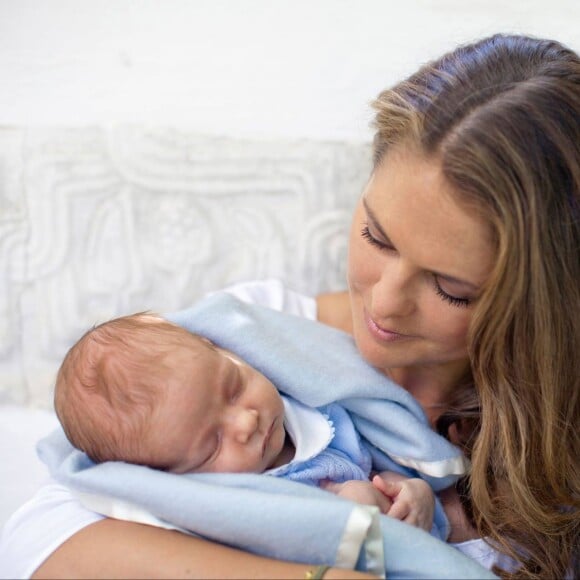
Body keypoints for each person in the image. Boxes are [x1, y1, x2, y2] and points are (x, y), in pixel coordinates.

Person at [0, 32, 577, 579]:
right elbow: (39, 541)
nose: (383, 301)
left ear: (545, 302)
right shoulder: (259, 334)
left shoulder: (559, 437)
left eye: (451, 288)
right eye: (377, 237)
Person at [54, 311, 435, 531]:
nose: (246, 422)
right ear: (175, 477)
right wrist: (342, 510)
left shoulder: (318, 414)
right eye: (212, 444)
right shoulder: (236, 504)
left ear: (225, 351)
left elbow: (380, 470)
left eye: (234, 387)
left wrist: (409, 492)